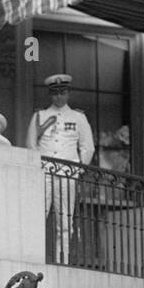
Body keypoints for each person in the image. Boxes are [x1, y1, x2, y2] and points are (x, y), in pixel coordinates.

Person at [26, 73, 94, 265]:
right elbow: (31, 146)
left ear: (68, 93)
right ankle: (34, 259)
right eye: (55, 93)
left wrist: (77, 171)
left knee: (65, 220)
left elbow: (87, 147)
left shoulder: (78, 117)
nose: (59, 97)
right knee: (38, 215)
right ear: (50, 94)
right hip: (44, 173)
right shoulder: (39, 116)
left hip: (66, 174)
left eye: (62, 93)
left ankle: (61, 260)